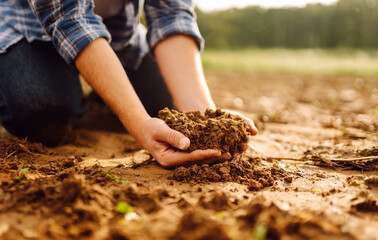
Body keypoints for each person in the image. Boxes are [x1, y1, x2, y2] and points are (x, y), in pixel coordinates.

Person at [0, 0, 258, 167]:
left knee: (169, 107)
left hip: (118, 37)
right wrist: (139, 123)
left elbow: (172, 15)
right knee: (43, 113)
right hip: (28, 30)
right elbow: (69, 18)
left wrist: (205, 115)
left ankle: (100, 95)